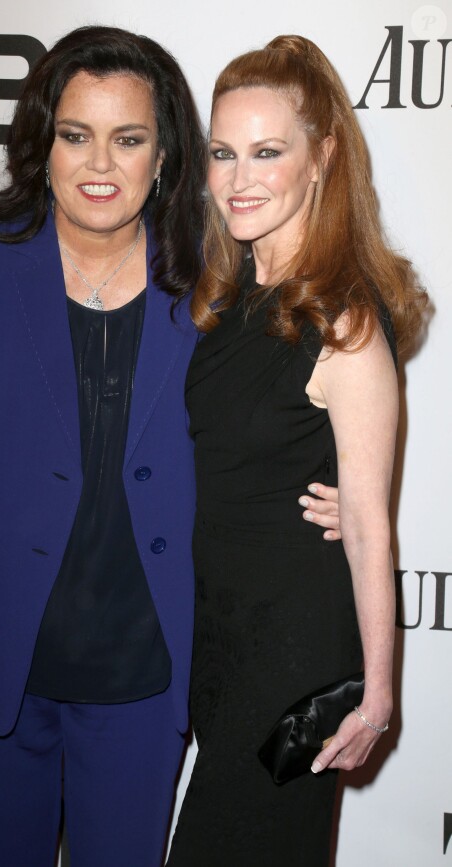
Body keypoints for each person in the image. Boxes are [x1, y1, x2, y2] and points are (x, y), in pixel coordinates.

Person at [0, 26, 340, 867]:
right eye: (76, 134)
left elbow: (273, 413)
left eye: (128, 139)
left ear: (163, 156)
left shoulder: (216, 281)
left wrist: (341, 493)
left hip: (147, 662)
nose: (101, 162)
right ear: (42, 143)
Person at [167, 35, 427, 867]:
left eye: (267, 152)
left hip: (291, 654)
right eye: (223, 152)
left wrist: (379, 692)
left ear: (320, 159)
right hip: (222, 642)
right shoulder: (229, 298)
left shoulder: (343, 322)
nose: (239, 178)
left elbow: (367, 526)